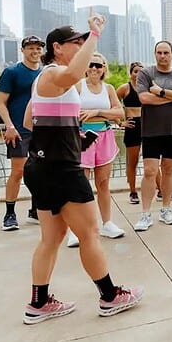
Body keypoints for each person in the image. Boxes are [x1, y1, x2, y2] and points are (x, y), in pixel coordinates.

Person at [22, 17, 143, 324]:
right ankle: (110, 296)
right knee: (90, 232)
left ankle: (38, 303)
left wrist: (73, 137)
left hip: (42, 166)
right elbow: (76, 71)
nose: (80, 48)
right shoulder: (54, 73)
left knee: (51, 238)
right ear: (57, 48)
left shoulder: (52, 81)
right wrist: (96, 35)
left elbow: (30, 122)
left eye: (82, 42)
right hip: (61, 169)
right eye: (75, 43)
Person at [65, 52, 126, 248]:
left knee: (103, 183)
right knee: (80, 184)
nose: (94, 68)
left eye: (98, 66)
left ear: (104, 69)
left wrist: (97, 112)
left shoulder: (108, 89)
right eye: (91, 64)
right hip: (82, 138)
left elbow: (119, 112)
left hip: (105, 136)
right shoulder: (78, 86)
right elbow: (67, 110)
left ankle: (107, 223)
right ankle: (75, 229)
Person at [134, 41, 172, 231]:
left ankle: (166, 209)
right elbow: (144, 98)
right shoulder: (146, 74)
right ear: (155, 54)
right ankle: (145, 213)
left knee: (168, 169)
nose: (162, 56)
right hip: (151, 130)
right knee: (150, 171)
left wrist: (160, 92)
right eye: (159, 52)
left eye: (166, 52)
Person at [0, 35, 43, 231]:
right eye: (30, 48)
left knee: (40, 172)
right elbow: (0, 103)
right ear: (23, 50)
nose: (35, 51)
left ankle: (35, 211)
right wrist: (9, 126)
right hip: (18, 130)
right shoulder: (12, 72)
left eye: (38, 48)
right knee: (18, 171)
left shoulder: (44, 73)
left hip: (40, 129)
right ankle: (9, 213)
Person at [116, 62, 144, 205]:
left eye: (141, 71)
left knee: (152, 161)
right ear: (131, 73)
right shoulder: (125, 88)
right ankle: (133, 192)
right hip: (132, 126)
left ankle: (161, 190)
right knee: (132, 162)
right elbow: (111, 103)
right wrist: (120, 122)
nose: (138, 74)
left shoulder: (148, 88)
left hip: (147, 126)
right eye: (135, 71)